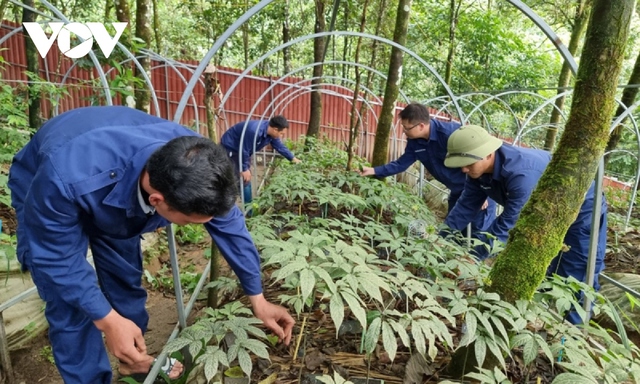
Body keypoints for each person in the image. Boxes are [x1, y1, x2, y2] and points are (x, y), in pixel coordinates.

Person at [8, 106, 295, 384]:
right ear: (157, 201)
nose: (198, 226)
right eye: (190, 222)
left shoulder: (198, 165)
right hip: (52, 181)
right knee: (67, 302)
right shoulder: (62, 177)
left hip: (115, 190)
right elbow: (58, 260)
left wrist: (258, 299)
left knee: (125, 280)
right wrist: (107, 320)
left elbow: (231, 228)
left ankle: (133, 361)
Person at [442, 125, 607, 324]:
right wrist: (441, 238)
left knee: (577, 269)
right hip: (545, 210)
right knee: (549, 265)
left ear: (487, 154)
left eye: (467, 163)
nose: (464, 169)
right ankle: (546, 315)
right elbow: (465, 206)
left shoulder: (522, 174)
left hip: (582, 208)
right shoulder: (478, 173)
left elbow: (508, 224)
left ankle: (571, 332)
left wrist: (474, 258)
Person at [358, 103, 495, 233]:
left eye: (407, 128)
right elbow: (401, 164)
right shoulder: (415, 142)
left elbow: (481, 160)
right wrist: (373, 170)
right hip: (457, 190)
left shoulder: (451, 134)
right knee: (455, 230)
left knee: (479, 231)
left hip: (480, 189)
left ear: (421, 125)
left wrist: (482, 192)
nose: (404, 132)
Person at [220, 116, 301, 205]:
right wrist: (244, 169)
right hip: (231, 149)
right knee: (240, 179)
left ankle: (246, 207)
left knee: (243, 180)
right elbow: (244, 150)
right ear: (275, 129)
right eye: (281, 133)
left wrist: (293, 159)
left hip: (242, 151)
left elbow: (279, 146)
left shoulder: (270, 133)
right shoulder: (254, 131)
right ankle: (236, 207)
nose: (281, 136)